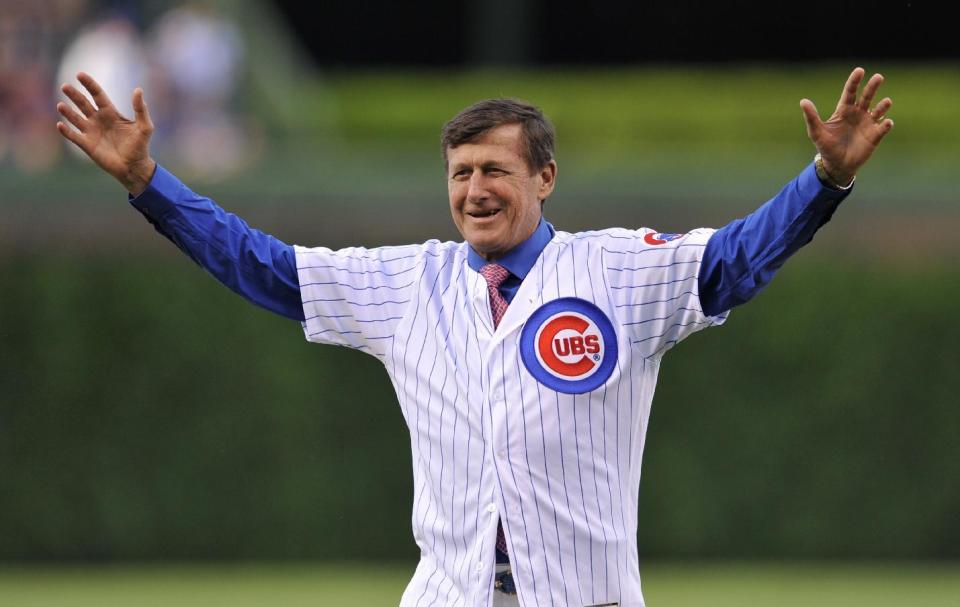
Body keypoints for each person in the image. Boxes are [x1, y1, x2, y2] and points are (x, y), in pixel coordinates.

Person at [56, 68, 893, 607]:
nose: (475, 189)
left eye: (495, 169)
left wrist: (825, 182)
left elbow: (739, 260)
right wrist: (149, 185)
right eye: (460, 173)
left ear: (544, 177)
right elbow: (264, 266)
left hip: (585, 595)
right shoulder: (406, 283)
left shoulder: (616, 272)